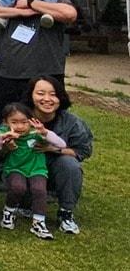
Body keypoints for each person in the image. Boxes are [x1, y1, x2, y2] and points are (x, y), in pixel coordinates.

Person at [25, 76, 93, 235]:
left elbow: (82, 151)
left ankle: (66, 214)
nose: (47, 99)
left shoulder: (72, 122)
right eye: (40, 93)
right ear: (30, 95)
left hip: (55, 169)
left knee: (69, 164)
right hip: (26, 170)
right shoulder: (19, 117)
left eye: (53, 94)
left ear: (60, 97)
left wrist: (52, 148)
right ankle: (19, 204)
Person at [0, 102, 66, 240]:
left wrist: (45, 132)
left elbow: (62, 144)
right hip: (15, 168)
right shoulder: (5, 133)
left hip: (37, 169)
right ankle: (9, 211)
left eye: (24, 122)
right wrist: (2, 137)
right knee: (18, 187)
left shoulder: (35, 133)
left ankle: (38, 222)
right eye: (14, 122)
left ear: (31, 121)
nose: (19, 126)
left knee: (39, 190)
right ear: (6, 122)